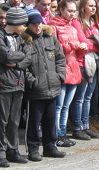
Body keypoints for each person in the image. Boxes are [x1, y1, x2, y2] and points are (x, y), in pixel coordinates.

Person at [21, 9, 67, 161]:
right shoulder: (24, 41)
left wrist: (59, 76)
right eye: (34, 24)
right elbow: (23, 66)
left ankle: (50, 146)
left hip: (52, 86)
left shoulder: (50, 38)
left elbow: (60, 58)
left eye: (39, 23)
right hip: (35, 89)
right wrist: (31, 81)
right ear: (28, 25)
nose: (38, 27)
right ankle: (33, 149)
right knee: (33, 121)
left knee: (50, 119)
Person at [0, 7, 32, 167]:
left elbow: (28, 56)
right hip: (3, 83)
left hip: (18, 82)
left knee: (14, 120)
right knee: (2, 120)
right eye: (23, 23)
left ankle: (13, 150)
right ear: (15, 22)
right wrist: (17, 58)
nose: (25, 27)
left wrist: (15, 63)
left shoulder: (20, 38)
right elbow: (5, 55)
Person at [70, 0, 99, 140]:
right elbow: (83, 43)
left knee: (88, 97)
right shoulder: (77, 22)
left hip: (95, 62)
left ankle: (86, 125)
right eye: (90, 5)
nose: (94, 8)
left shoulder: (94, 22)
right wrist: (95, 42)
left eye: (95, 5)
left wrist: (93, 41)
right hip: (82, 62)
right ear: (83, 6)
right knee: (79, 97)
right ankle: (77, 127)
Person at [49, 0, 86, 147]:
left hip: (73, 67)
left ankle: (62, 133)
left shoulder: (72, 27)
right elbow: (54, 48)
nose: (72, 14)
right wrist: (74, 45)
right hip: (61, 69)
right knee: (58, 106)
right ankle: (56, 133)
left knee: (66, 106)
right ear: (61, 10)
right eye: (69, 11)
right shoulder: (53, 26)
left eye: (74, 11)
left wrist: (81, 49)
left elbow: (76, 52)